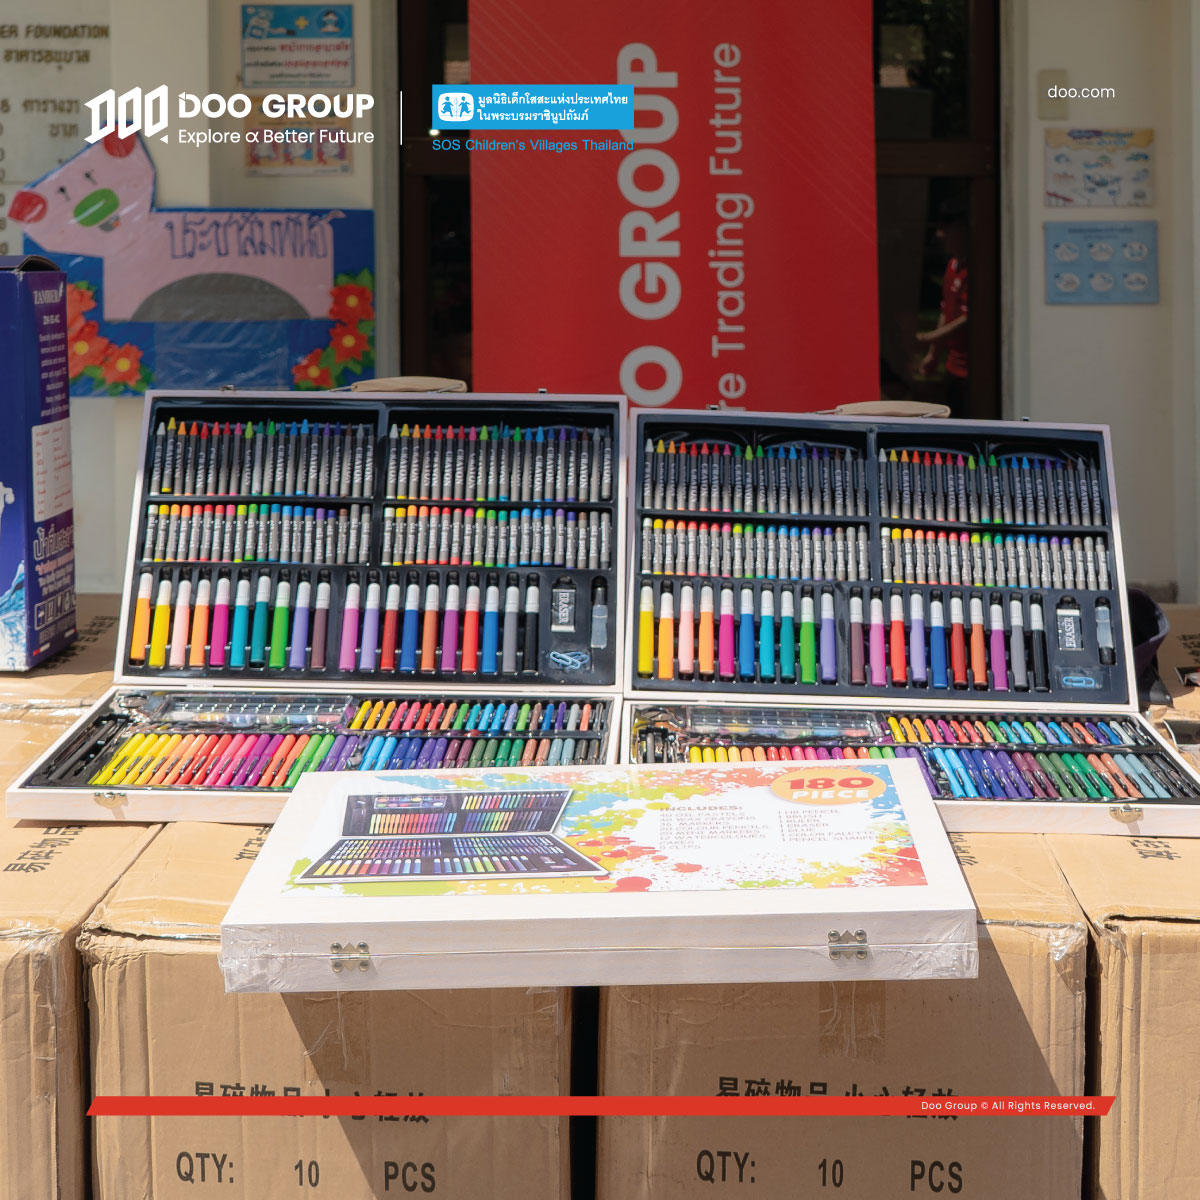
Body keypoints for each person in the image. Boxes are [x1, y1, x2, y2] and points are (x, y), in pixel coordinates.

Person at [917, 201, 969, 415]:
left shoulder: (976, 269)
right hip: (952, 366)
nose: (940, 235)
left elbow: (968, 319)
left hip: (969, 369)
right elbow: (946, 311)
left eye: (946, 228)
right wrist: (934, 354)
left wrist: (926, 338)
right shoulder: (952, 266)